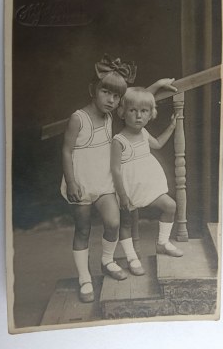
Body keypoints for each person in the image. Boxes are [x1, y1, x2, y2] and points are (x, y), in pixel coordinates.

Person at [61, 54, 176, 302]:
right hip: (80, 181)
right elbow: (67, 151)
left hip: (104, 182)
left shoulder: (112, 115)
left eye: (116, 97)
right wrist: (71, 182)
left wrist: (156, 85)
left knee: (113, 223)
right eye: (106, 93)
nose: (111, 100)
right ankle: (84, 278)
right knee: (82, 229)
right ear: (93, 89)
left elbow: (138, 100)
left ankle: (107, 261)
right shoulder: (78, 118)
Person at [111, 87, 183, 276]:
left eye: (144, 111)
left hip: (149, 186)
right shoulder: (118, 141)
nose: (138, 116)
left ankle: (162, 242)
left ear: (150, 114)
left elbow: (158, 144)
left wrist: (172, 127)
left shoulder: (143, 133)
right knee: (126, 223)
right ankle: (131, 257)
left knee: (170, 206)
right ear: (122, 112)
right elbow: (116, 170)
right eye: (133, 110)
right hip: (128, 188)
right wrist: (122, 195)